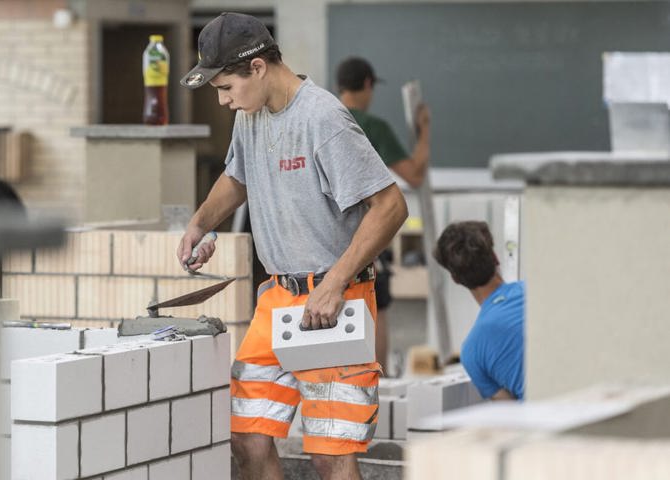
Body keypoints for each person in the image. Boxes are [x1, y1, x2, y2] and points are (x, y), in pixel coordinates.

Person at [177, 12, 408, 480]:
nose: (223, 102)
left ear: (258, 68)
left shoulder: (323, 119)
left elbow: (390, 206)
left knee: (330, 454)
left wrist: (335, 282)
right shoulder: (251, 114)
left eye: (225, 87)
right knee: (246, 435)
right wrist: (199, 224)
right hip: (278, 301)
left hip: (333, 303)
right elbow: (236, 177)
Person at [336, 56, 431, 376]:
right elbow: (414, 175)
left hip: (321, 235)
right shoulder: (373, 127)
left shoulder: (319, 118)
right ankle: (378, 377)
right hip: (365, 236)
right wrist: (424, 132)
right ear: (367, 84)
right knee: (377, 304)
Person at [432, 221, 525, 400]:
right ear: (496, 258)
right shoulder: (538, 293)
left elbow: (511, 413)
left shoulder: (471, 353)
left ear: (455, 279)